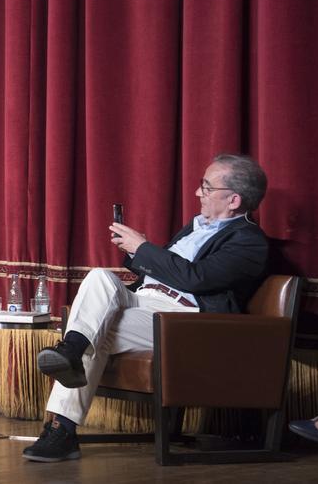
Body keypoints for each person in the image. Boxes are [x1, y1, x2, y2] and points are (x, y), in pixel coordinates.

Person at [22, 153, 269, 463]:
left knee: (96, 331)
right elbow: (164, 269)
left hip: (182, 319)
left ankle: (62, 428)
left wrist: (144, 248)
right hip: (144, 299)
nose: (198, 194)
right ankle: (71, 350)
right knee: (99, 277)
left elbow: (195, 278)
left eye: (206, 188)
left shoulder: (249, 242)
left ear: (233, 200)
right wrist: (136, 252)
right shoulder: (195, 227)